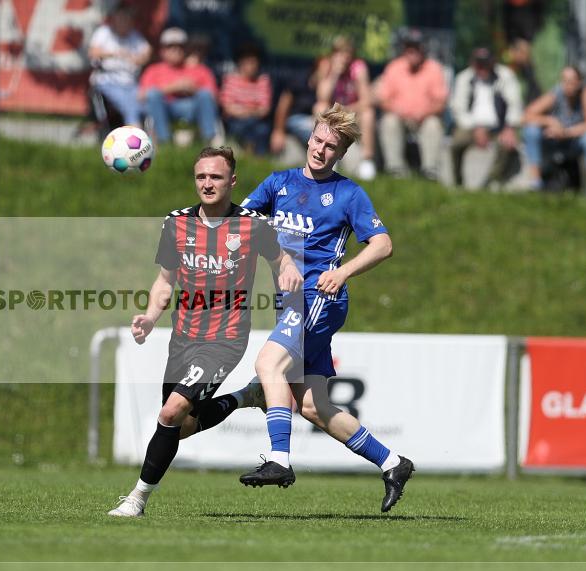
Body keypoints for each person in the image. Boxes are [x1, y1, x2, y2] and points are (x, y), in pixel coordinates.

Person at [234, 103, 414, 513]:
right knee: (314, 405)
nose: (320, 150)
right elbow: (241, 222)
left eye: (331, 146)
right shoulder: (278, 183)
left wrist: (344, 271)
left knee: (268, 364)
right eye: (317, 140)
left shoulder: (349, 194)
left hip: (320, 298)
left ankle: (279, 460)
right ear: (309, 137)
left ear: (341, 153)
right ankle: (393, 463)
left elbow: (383, 245)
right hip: (291, 304)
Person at [107, 147, 302, 518]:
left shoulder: (252, 224)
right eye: (201, 177)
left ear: (232, 181)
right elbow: (165, 281)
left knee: (170, 412)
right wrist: (150, 317)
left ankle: (136, 499)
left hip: (224, 338)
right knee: (180, 426)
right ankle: (245, 398)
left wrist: (289, 270)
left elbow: (281, 258)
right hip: (182, 337)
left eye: (215, 177)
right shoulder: (176, 223)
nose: (207, 184)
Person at [376, 29, 449, 180]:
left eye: (417, 47)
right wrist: (397, 110)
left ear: (423, 49)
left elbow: (441, 103)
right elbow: (383, 100)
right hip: (399, 118)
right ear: (404, 49)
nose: (413, 51)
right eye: (409, 47)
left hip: (425, 119)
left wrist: (425, 113)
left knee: (433, 124)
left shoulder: (434, 68)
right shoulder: (394, 67)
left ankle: (430, 171)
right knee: (389, 121)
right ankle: (396, 170)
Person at [450, 47, 523, 189]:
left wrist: (510, 127)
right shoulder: (464, 78)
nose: (482, 67)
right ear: (472, 63)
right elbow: (459, 110)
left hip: (499, 127)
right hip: (471, 126)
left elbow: (515, 104)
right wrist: (476, 128)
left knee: (507, 144)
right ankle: (458, 182)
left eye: (486, 63)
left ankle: (491, 181)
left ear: (493, 63)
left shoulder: (505, 76)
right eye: (479, 64)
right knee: (457, 142)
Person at [139, 27, 220, 145]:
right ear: (162, 50)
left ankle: (209, 141)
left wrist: (194, 89)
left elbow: (213, 97)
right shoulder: (153, 70)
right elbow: (141, 96)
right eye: (170, 47)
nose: (176, 50)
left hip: (192, 106)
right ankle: (164, 141)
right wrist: (173, 88)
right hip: (166, 107)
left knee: (205, 95)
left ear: (186, 49)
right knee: (153, 95)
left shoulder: (199, 69)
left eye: (180, 46)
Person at [315, 36, 377, 180]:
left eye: (348, 53)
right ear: (334, 53)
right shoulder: (327, 65)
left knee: (368, 114)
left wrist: (346, 109)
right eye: (341, 53)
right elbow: (322, 96)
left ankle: (367, 161)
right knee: (320, 107)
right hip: (332, 113)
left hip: (352, 111)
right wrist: (335, 73)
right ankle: (325, 155)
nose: (345, 57)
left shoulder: (358, 67)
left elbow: (366, 101)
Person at [522, 65, 586, 189]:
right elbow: (526, 115)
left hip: (574, 141)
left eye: (572, 81)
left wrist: (566, 132)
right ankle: (536, 182)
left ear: (579, 82)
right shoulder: (556, 93)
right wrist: (549, 120)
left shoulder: (584, 94)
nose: (568, 85)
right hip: (553, 139)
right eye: (565, 81)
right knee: (531, 130)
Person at [87, 3, 151, 127]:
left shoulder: (135, 37)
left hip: (131, 83)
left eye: (127, 19)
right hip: (107, 81)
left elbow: (147, 54)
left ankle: (154, 144)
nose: (124, 22)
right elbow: (92, 53)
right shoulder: (104, 32)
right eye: (121, 18)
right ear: (114, 19)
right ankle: (136, 143)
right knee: (130, 107)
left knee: (147, 106)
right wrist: (115, 54)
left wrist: (136, 58)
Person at [220, 43, 272, 155]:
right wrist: (252, 110)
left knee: (262, 129)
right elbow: (228, 107)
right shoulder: (231, 80)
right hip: (235, 121)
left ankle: (259, 160)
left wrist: (243, 109)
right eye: (249, 62)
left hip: (256, 121)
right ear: (241, 63)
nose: (252, 66)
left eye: (254, 62)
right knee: (242, 127)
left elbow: (265, 109)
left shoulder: (263, 80)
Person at [269, 63, 319, 158]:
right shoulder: (299, 82)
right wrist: (278, 131)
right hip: (294, 119)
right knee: (317, 137)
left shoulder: (327, 87)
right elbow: (283, 106)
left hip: (311, 121)